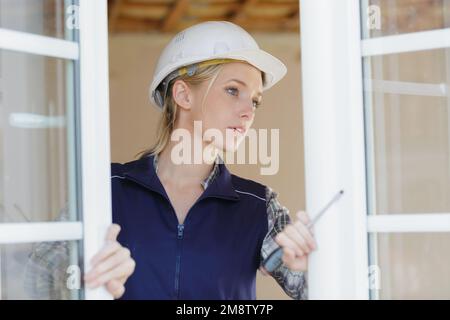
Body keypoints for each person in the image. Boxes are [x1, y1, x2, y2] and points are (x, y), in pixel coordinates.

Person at [26, 20, 316, 300]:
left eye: (254, 100)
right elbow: (34, 279)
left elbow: (321, 289)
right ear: (183, 94)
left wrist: (310, 272)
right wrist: (81, 274)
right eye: (233, 90)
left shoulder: (260, 206)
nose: (248, 111)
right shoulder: (106, 190)